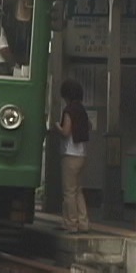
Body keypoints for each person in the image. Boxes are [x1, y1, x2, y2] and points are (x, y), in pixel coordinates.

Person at [53, 79, 90, 234]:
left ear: (66, 95)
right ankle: (83, 223)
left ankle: (71, 224)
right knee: (78, 190)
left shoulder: (69, 110)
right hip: (81, 154)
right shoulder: (82, 110)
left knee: (69, 191)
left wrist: (56, 126)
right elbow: (89, 127)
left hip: (70, 154)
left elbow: (66, 132)